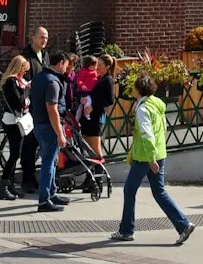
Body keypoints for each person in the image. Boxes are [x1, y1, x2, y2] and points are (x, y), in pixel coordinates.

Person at [108, 75, 194, 245]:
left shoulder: (143, 109)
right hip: (159, 154)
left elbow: (147, 135)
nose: (132, 89)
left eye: (134, 87)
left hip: (145, 157)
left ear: (139, 90)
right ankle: (183, 225)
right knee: (159, 192)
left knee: (129, 190)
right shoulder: (157, 105)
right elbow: (162, 129)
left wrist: (150, 158)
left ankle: (126, 231)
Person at [29, 49, 72, 212]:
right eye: (66, 65)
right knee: (48, 162)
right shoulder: (53, 82)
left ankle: (52, 193)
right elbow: (52, 109)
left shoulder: (39, 77)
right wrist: (60, 134)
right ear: (60, 63)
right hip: (49, 126)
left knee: (52, 161)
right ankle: (44, 199)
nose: (66, 69)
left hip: (39, 124)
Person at [15, 27, 50, 187]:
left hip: (44, 103)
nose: (44, 40)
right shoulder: (25, 56)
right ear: (33, 38)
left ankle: (37, 178)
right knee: (29, 142)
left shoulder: (46, 55)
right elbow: (22, 79)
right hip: (31, 105)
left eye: (46, 38)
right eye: (41, 37)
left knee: (40, 141)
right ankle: (27, 179)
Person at [0, 56, 32, 200]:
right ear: (18, 67)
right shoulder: (11, 82)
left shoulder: (20, 82)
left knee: (16, 153)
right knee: (14, 155)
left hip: (20, 120)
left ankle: (10, 184)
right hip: (12, 121)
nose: (25, 73)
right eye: (24, 69)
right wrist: (27, 90)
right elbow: (17, 102)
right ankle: (3, 186)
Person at [81, 55, 116, 161]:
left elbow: (110, 100)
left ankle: (99, 172)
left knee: (96, 148)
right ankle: (92, 171)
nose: (97, 67)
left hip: (97, 117)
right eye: (97, 64)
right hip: (90, 117)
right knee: (89, 146)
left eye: (100, 65)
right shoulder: (99, 78)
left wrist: (93, 107)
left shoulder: (107, 80)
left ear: (107, 67)